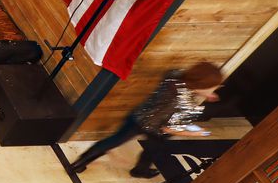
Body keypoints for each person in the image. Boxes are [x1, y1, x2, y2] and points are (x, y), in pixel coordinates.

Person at [69, 61, 224, 176]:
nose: (215, 89)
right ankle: (140, 170)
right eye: (214, 86)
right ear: (202, 85)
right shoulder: (187, 105)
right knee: (154, 150)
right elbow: (169, 128)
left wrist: (202, 92)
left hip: (139, 116)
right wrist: (196, 133)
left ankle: (79, 164)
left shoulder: (173, 76)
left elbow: (178, 84)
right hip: (156, 129)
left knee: (113, 140)